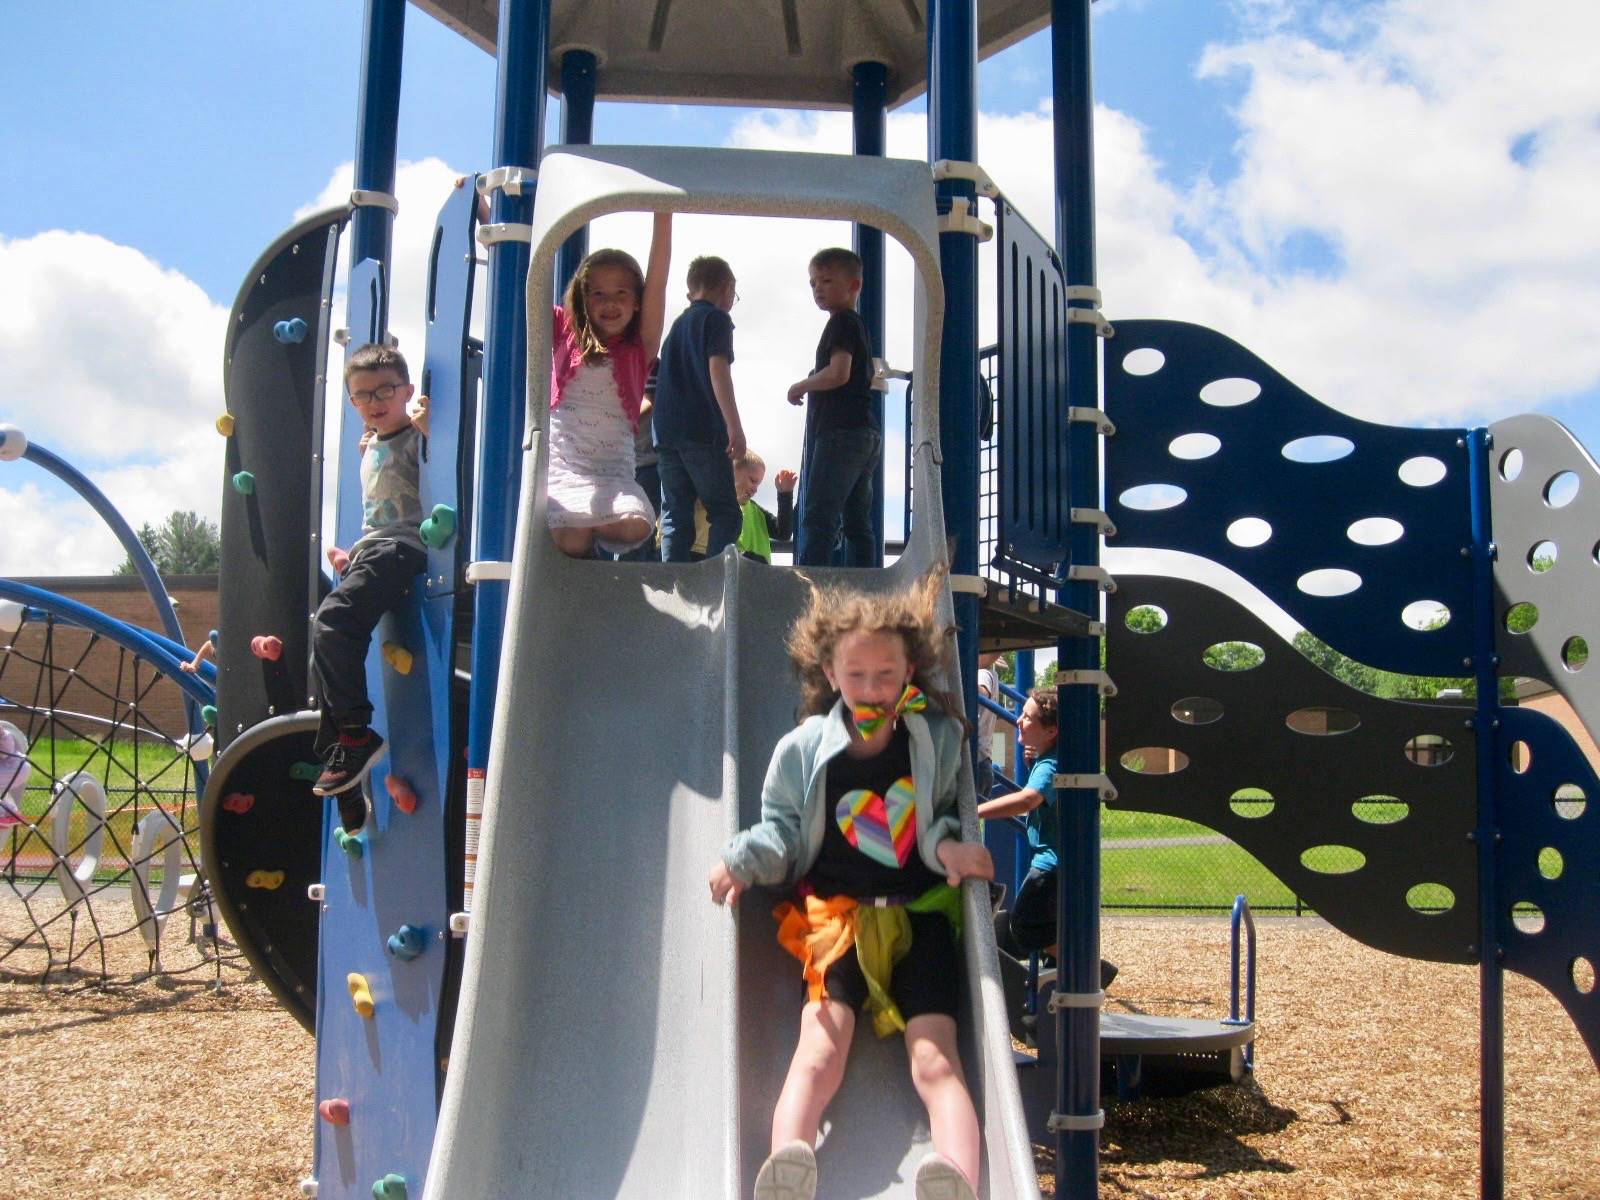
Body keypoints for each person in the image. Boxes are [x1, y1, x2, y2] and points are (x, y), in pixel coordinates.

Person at [709, 566, 993, 1200]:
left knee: (935, 1054)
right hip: (834, 920)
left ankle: (958, 1178)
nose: (871, 689)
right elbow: (781, 831)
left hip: (920, 916)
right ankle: (790, 1161)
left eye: (885, 676)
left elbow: (942, 813)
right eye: (857, 676)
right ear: (831, 675)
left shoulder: (935, 741)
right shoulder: (804, 749)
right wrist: (743, 858)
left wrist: (949, 847)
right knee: (821, 1043)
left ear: (908, 675)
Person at [309, 344, 427, 826]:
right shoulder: (369, 443)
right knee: (323, 656)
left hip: (405, 549)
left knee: (333, 623)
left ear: (407, 392)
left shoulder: (420, 437)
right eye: (363, 395)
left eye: (386, 391)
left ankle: (358, 738)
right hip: (374, 550)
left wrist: (427, 419)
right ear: (353, 403)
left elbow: (440, 440)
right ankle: (347, 781)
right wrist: (349, 554)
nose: (376, 401)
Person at [546, 214, 672, 558]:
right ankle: (585, 558)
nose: (610, 303)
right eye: (598, 294)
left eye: (621, 293)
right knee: (572, 538)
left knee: (635, 524)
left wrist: (664, 214)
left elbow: (658, 282)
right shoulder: (564, 333)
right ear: (584, 301)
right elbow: (530, 274)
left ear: (636, 302)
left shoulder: (639, 348)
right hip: (565, 465)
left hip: (611, 471)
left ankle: (590, 538)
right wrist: (492, 218)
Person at [976, 686, 1118, 989]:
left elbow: (1029, 800)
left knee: (1025, 926)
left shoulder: (1051, 764)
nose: (1018, 720)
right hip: (1063, 861)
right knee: (1049, 926)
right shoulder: (1051, 757)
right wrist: (1031, 762)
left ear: (1051, 730)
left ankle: (1086, 965)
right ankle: (1069, 971)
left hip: (1051, 864)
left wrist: (977, 811)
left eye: (1027, 718)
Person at [787, 248, 879, 567]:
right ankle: (868, 583)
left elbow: (838, 372)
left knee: (819, 516)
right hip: (866, 433)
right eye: (813, 283)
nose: (818, 289)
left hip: (841, 432)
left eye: (827, 281)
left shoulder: (841, 322)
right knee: (856, 521)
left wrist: (802, 385)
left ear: (854, 286)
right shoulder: (858, 325)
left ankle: (811, 587)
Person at [654, 255, 746, 562]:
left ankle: (673, 583)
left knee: (675, 516)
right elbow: (718, 370)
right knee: (725, 513)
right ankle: (713, 583)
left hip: (665, 433)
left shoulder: (676, 329)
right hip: (702, 429)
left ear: (691, 290)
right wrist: (735, 426)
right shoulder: (716, 320)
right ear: (728, 288)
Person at [616, 362, 663, 563]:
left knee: (640, 526)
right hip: (624, 460)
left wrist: (617, 422)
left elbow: (648, 401)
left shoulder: (651, 365)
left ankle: (633, 579)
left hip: (647, 460)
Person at [734, 449, 796, 564]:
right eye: (753, 481)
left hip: (759, 577)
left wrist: (785, 494)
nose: (755, 489)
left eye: (758, 484)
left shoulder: (756, 511)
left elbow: (783, 534)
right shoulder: (714, 508)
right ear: (733, 471)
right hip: (730, 575)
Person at [974, 650, 1002, 798]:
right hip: (984, 759)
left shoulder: (982, 673)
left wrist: (961, 677)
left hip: (976, 757)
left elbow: (982, 692)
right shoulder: (992, 675)